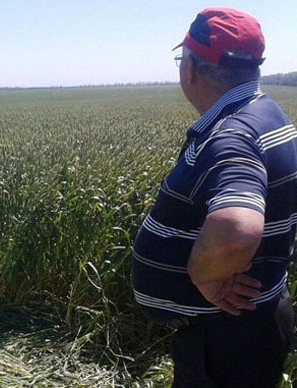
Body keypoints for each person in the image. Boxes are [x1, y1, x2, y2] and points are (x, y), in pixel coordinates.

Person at [131, 8, 296, 388]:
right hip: (252, 325)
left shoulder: (231, 136)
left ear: (190, 68)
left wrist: (202, 275)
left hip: (225, 341)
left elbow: (238, 226)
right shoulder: (268, 116)